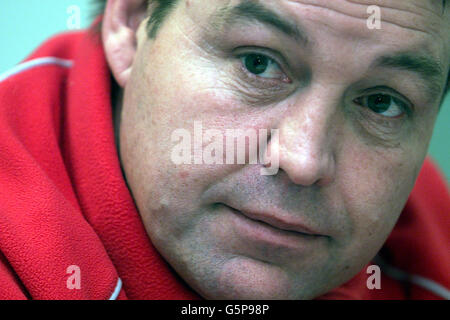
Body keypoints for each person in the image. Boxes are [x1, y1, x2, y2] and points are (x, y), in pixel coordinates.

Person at [0, 0, 448, 300]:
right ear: (133, 24)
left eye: (381, 102)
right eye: (258, 62)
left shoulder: (430, 251)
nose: (303, 160)